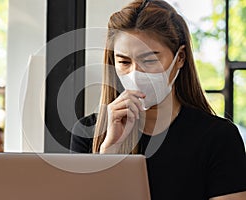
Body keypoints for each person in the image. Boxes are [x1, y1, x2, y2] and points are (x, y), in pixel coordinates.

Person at [70, 0, 246, 199]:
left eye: (149, 60)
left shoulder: (218, 138)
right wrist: (109, 154)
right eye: (124, 62)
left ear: (180, 58)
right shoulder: (88, 133)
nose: (135, 73)